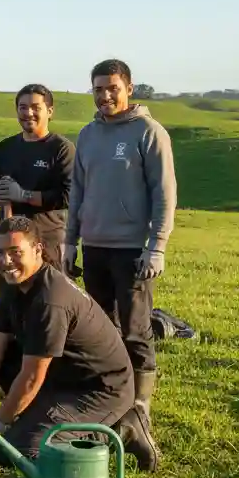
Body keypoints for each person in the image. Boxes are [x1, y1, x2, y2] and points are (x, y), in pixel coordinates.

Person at [0, 217, 156, 469]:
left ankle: (123, 430)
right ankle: (36, 416)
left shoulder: (49, 300)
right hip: (62, 375)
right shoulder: (16, 286)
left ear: (38, 250)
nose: (5, 261)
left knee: (19, 451)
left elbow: (32, 377)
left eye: (15, 252)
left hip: (99, 389)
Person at [64, 59, 176, 418]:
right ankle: (109, 395)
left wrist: (156, 246)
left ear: (129, 88)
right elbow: (78, 191)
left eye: (113, 88)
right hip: (94, 246)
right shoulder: (87, 135)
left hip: (132, 251)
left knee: (135, 331)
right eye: (98, 89)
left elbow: (164, 194)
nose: (105, 95)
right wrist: (70, 241)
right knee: (101, 331)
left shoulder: (149, 131)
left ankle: (140, 407)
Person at [0, 84, 74, 282]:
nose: (28, 113)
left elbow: (68, 195)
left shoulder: (61, 148)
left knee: (47, 300)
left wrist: (24, 196)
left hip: (46, 241)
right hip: (8, 240)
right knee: (8, 302)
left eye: (35, 107)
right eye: (22, 107)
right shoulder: (6, 147)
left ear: (49, 111)